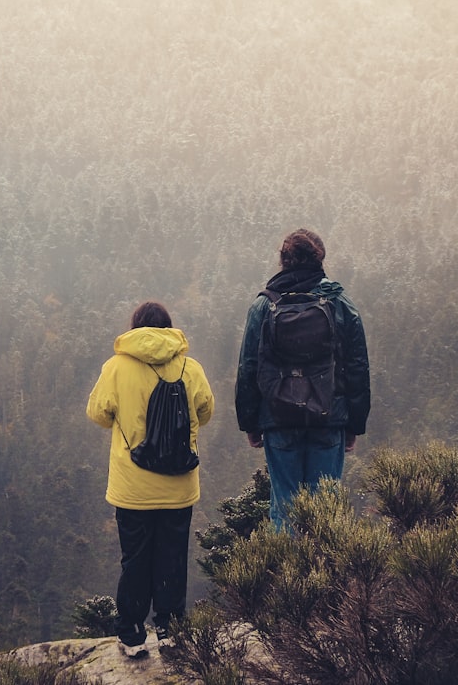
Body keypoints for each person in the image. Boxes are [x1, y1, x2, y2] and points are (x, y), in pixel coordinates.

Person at [86, 301, 215, 659]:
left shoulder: (116, 367)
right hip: (179, 487)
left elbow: (98, 413)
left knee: (136, 559)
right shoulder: (191, 367)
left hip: (132, 489)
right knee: (172, 557)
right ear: (169, 329)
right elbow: (205, 412)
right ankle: (171, 630)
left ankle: (131, 634)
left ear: (135, 328)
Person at [235, 229, 370, 529]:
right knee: (326, 511)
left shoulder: (264, 305)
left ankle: (288, 575)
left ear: (283, 261)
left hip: (279, 419)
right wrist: (354, 424)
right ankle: (324, 573)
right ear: (320, 257)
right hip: (329, 418)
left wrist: (251, 423)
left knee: (284, 509)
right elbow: (357, 366)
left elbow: (248, 367)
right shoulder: (339, 303)